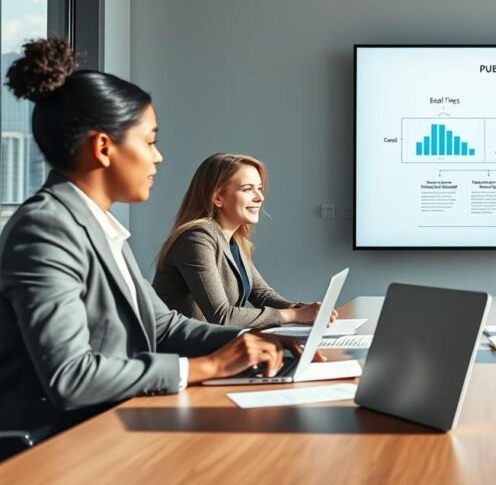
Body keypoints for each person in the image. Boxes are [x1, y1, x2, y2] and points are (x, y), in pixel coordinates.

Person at [0, 38, 310, 441]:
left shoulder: (98, 225)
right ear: (103, 147)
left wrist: (252, 339)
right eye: (149, 142)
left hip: (114, 423)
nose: (158, 157)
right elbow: (70, 375)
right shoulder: (46, 229)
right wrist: (208, 367)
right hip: (60, 444)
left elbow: (163, 327)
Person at [153, 153, 335, 328]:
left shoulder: (234, 240)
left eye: (259, 188)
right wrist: (294, 316)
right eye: (248, 189)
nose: (260, 197)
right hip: (183, 351)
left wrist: (303, 310)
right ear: (217, 198)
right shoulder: (196, 239)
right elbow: (221, 316)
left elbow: (261, 294)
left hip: (212, 344)